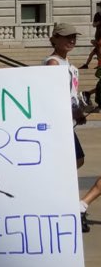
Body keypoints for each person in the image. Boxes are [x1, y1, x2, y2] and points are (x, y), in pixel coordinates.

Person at [42, 23, 91, 230]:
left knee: (75, 161)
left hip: (67, 119)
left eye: (73, 37)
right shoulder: (53, 63)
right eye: (66, 37)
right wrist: (74, 111)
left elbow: (70, 92)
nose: (71, 40)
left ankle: (62, 197)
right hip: (59, 121)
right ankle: (64, 201)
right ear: (54, 39)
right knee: (72, 162)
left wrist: (78, 109)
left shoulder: (66, 63)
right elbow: (55, 93)